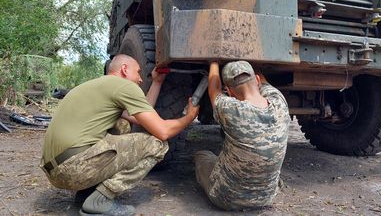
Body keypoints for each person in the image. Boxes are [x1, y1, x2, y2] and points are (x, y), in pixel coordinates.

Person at [40, 54, 199, 216]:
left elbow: (140, 114)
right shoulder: (124, 86)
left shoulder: (97, 86)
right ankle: (100, 200)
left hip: (55, 171)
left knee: (121, 125)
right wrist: (189, 117)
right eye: (138, 72)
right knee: (157, 144)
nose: (141, 79)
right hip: (74, 169)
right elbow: (163, 131)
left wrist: (157, 82)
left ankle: (87, 192)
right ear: (124, 69)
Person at [194, 60, 290, 210]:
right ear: (257, 80)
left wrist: (213, 61)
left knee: (203, 155)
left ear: (229, 91)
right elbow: (263, 81)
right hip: (266, 198)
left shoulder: (231, 109)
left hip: (226, 199)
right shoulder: (280, 103)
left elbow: (214, 90)